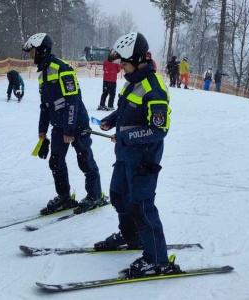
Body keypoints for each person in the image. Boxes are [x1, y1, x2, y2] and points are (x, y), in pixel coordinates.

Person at [95, 32, 177, 276]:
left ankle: (157, 259)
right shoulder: (133, 81)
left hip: (144, 158)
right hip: (125, 154)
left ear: (139, 59)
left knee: (141, 206)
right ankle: (131, 237)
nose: (121, 68)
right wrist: (111, 121)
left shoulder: (154, 88)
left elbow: (159, 129)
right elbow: (124, 110)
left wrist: (126, 136)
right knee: (119, 196)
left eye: (124, 63)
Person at [22, 33, 105, 215]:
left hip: (76, 123)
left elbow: (72, 101)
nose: (31, 56)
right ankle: (64, 197)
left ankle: (95, 195)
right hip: (59, 125)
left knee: (84, 159)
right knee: (55, 162)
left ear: (42, 51)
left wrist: (69, 129)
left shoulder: (62, 69)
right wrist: (42, 131)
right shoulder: (42, 74)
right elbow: (45, 106)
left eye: (33, 52)